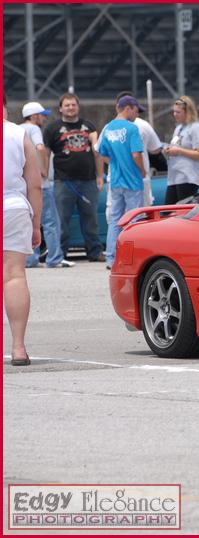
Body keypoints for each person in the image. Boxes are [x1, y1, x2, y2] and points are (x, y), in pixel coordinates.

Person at [3, 95, 43, 366]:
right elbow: (35, 185)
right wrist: (36, 223)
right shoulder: (20, 134)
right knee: (14, 275)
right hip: (14, 207)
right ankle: (18, 348)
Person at [43, 92, 105, 262]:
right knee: (62, 220)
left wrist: (100, 176)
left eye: (73, 105)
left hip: (89, 181)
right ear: (61, 108)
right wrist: (45, 178)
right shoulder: (52, 129)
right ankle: (60, 253)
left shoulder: (89, 126)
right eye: (67, 105)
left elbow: (98, 154)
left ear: (78, 106)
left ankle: (94, 252)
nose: (70, 108)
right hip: (63, 182)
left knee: (91, 220)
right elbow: (45, 155)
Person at [21, 102, 74, 269]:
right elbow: (41, 148)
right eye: (42, 114)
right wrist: (43, 169)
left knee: (30, 222)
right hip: (41, 185)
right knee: (51, 222)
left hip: (24, 185)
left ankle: (30, 259)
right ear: (34, 116)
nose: (44, 118)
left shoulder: (17, 129)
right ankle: (55, 258)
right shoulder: (34, 129)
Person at [97, 96, 146, 270]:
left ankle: (111, 258)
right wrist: (142, 170)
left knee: (115, 220)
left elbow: (100, 153)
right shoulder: (132, 128)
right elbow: (136, 154)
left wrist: (114, 163)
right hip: (132, 180)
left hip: (116, 180)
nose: (137, 114)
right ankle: (133, 258)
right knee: (135, 220)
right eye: (136, 110)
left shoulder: (108, 128)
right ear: (128, 108)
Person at [163, 95, 199, 205]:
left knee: (182, 211)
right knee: (168, 211)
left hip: (187, 177)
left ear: (187, 112)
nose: (174, 114)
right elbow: (177, 146)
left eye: (178, 112)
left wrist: (179, 151)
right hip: (174, 177)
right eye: (174, 112)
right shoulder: (178, 128)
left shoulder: (195, 128)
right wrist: (169, 150)